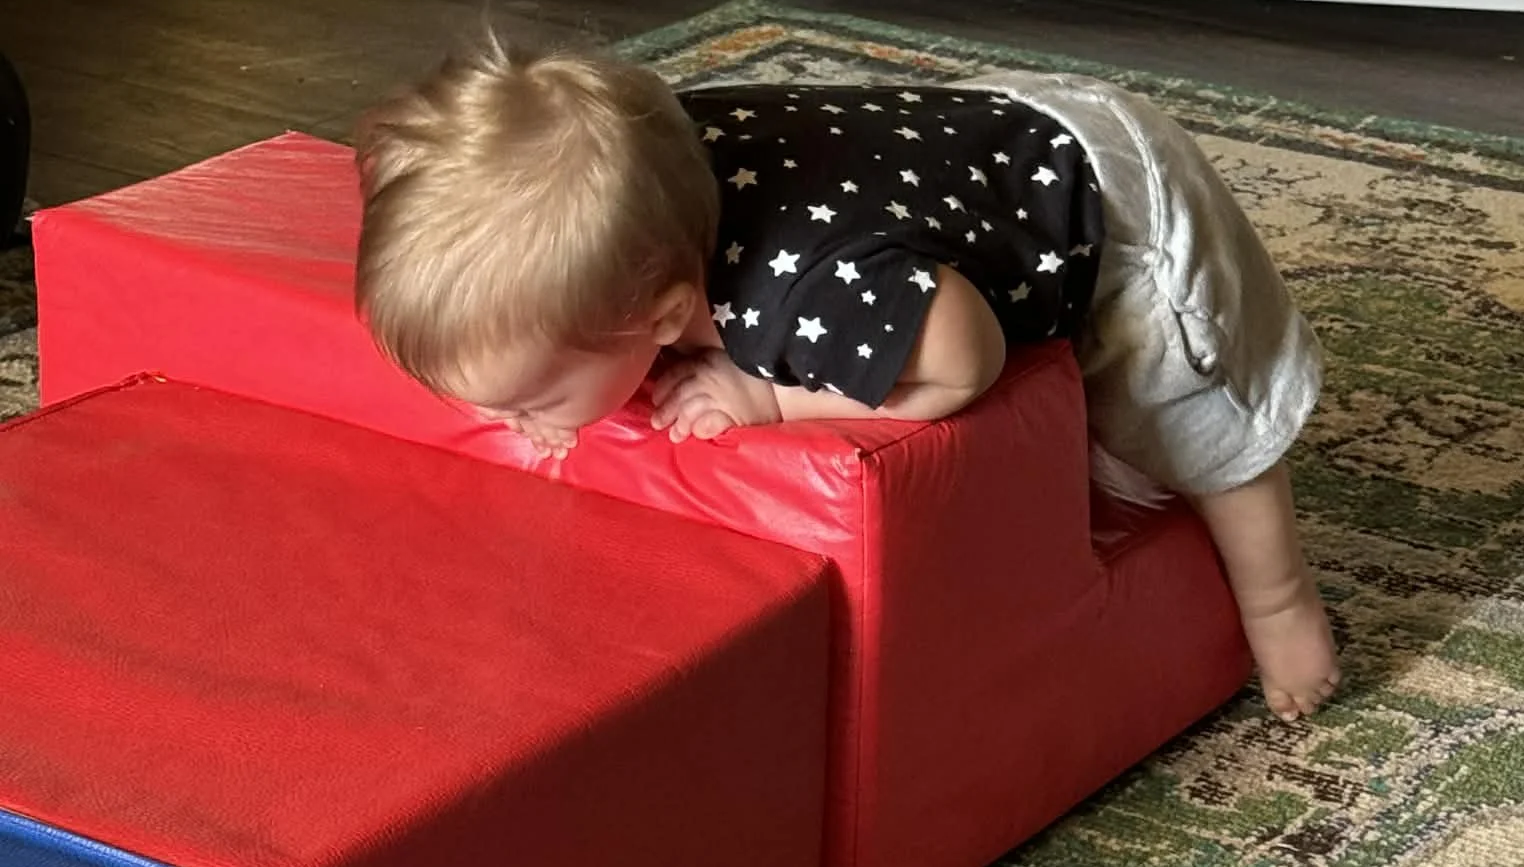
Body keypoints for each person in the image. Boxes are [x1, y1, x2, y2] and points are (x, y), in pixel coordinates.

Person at [354, 36, 1338, 720]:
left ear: (659, 317)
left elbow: (969, 355)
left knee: (1198, 416)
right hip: (973, 138)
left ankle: (1281, 602)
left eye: (530, 402)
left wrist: (772, 396)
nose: (505, 421)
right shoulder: (630, 183)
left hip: (1115, 204)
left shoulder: (807, 305)